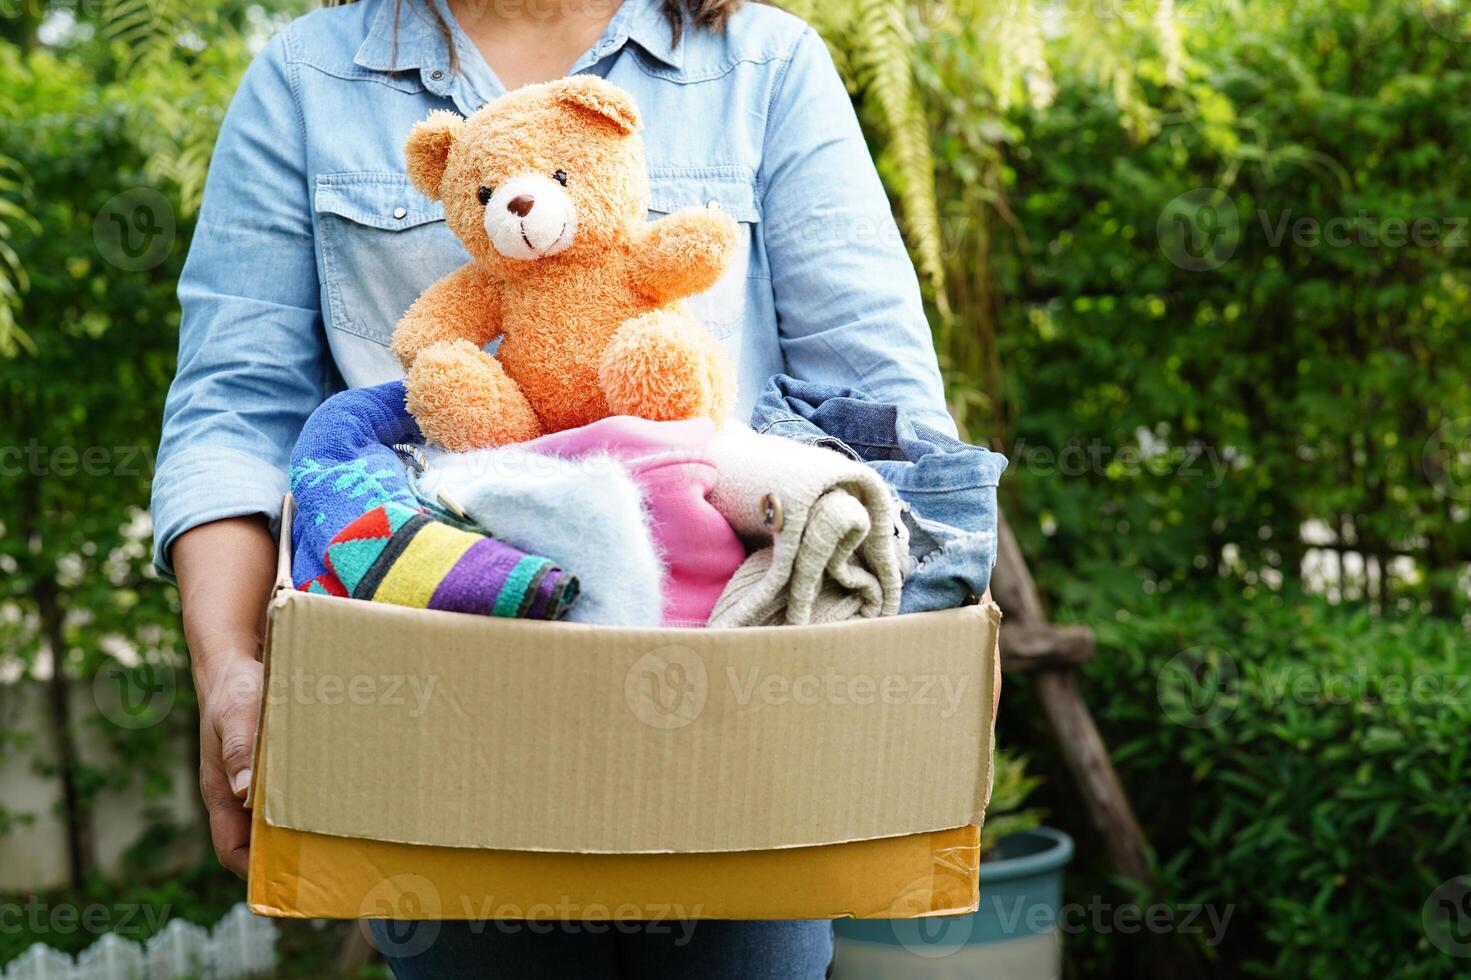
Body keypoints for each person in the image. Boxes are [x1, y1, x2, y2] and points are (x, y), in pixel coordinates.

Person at [153, 0, 952, 975]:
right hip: (443, 732)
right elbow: (238, 412)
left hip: (738, 728)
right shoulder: (309, 81)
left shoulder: (761, 64)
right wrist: (229, 664)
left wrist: (932, 650)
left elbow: (880, 404)